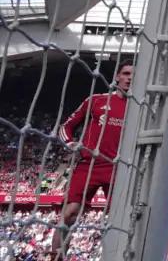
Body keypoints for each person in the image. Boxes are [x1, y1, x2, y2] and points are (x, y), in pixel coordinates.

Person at [52, 61, 132, 259]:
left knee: (119, 219)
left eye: (134, 75)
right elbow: (66, 126)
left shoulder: (139, 108)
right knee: (69, 213)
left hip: (119, 168)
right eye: (126, 73)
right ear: (117, 76)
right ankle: (56, 257)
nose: (130, 78)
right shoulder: (96, 100)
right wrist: (70, 143)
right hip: (90, 164)